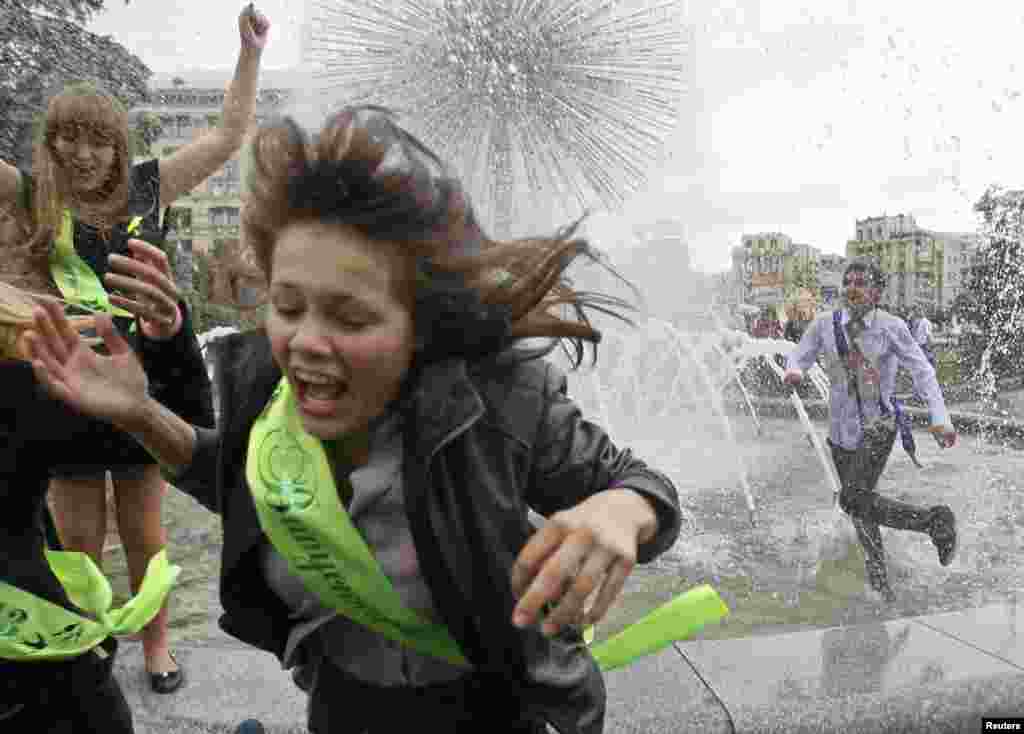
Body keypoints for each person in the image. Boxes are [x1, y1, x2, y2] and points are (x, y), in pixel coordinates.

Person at [25, 106, 684, 734]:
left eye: (350, 317)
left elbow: (640, 485)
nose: (305, 342)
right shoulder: (267, 382)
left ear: (419, 323)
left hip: (494, 706)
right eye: (288, 306)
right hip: (341, 700)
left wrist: (616, 513)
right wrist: (138, 412)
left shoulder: (501, 396)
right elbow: (238, 480)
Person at [0, 3, 271, 691]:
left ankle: (156, 648)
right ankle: (88, 653)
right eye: (69, 138)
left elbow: (230, 133)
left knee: (147, 531)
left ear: (117, 146)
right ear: (51, 143)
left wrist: (250, 50)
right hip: (64, 384)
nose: (83, 154)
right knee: (78, 540)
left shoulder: (146, 187)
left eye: (98, 140)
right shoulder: (32, 197)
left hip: (140, 384)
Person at [0, 246, 211, 732]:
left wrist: (165, 344)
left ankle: (157, 647)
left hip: (42, 683)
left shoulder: (15, 373)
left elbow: (189, 444)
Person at [783, 257, 958, 602]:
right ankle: (881, 582)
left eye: (861, 282)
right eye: (848, 281)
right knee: (860, 505)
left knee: (853, 498)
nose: (852, 288)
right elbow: (799, 354)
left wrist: (941, 418)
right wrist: (794, 371)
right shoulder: (823, 324)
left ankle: (933, 520)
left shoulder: (892, 327)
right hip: (839, 432)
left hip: (879, 425)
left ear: (877, 291)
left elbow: (923, 371)